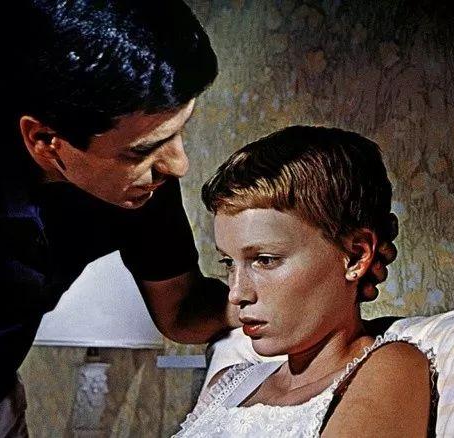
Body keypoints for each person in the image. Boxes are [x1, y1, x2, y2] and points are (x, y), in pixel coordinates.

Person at [0, 0, 234, 435]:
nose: (178, 165)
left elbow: (181, 310)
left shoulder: (140, 175)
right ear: (44, 140)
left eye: (178, 131)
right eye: (144, 149)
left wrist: (277, 300)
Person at [175, 126, 438, 437]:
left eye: (265, 260)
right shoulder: (228, 384)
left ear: (355, 256)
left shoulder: (391, 368)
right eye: (229, 263)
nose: (236, 293)